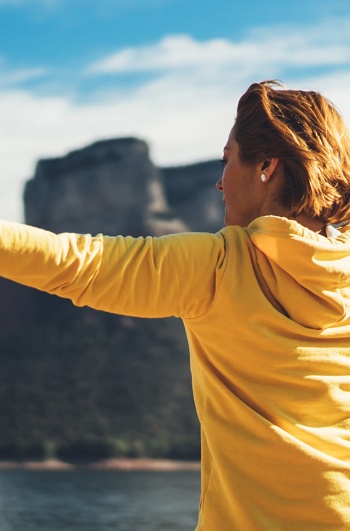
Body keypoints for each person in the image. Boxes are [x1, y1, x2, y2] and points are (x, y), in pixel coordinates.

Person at [1, 80, 350, 530]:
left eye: (228, 160)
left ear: (266, 165)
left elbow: (76, 264)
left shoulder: (221, 266)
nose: (220, 182)